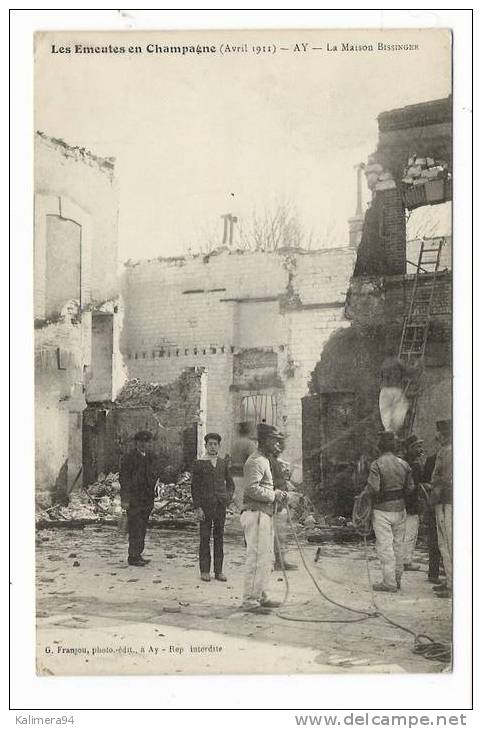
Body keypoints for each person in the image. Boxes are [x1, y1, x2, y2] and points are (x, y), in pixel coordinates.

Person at [240, 423, 289, 613]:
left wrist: (275, 493)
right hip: (256, 514)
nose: (277, 445)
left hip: (264, 513)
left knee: (266, 557)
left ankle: (260, 595)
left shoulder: (264, 460)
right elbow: (251, 488)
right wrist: (274, 494)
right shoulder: (256, 461)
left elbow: (262, 486)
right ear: (265, 441)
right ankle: (250, 600)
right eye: (274, 441)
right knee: (257, 557)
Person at [360, 430, 415, 592]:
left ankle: (389, 582)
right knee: (399, 545)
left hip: (382, 510)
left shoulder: (377, 464)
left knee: (385, 546)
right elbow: (410, 488)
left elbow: (373, 488)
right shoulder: (404, 464)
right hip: (400, 509)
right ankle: (397, 578)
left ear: (380, 447)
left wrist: (365, 494)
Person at [191, 432, 235, 583]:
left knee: (219, 538)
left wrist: (227, 497)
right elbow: (194, 488)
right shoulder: (199, 463)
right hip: (205, 507)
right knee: (204, 538)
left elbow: (230, 484)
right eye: (210, 444)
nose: (212, 447)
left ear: (219, 446)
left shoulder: (222, 463)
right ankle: (204, 571)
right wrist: (198, 507)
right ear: (205, 445)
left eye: (215, 444)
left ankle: (218, 571)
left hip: (220, 507)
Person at [120, 430, 158, 567]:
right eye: (141, 441)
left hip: (147, 498)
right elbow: (124, 479)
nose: (144, 444)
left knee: (142, 527)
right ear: (136, 443)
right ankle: (133, 556)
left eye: (146, 442)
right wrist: (125, 499)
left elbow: (154, 475)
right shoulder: (129, 458)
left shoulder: (150, 457)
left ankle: (138, 553)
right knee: (135, 527)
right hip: (134, 498)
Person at [429, 419, 453, 599]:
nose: (437, 436)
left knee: (447, 542)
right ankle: (450, 580)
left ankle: (453, 584)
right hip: (443, 500)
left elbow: (444, 478)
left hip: (445, 501)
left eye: (439, 433)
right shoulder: (445, 450)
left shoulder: (448, 452)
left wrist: (433, 490)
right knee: (444, 542)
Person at [270, 434, 298, 571]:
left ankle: (280, 560)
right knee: (276, 532)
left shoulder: (276, 461)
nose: (282, 447)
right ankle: (276, 561)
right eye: (280, 444)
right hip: (274, 502)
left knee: (281, 533)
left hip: (280, 500)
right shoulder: (270, 461)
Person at [402, 434, 426, 571]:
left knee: (404, 533)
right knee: (410, 532)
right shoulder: (413, 464)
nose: (420, 449)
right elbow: (415, 484)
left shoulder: (403, 462)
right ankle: (406, 561)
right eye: (417, 446)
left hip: (404, 502)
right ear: (410, 448)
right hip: (411, 503)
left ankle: (403, 559)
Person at [422, 451, 442, 584]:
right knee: (434, 540)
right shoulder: (432, 460)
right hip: (436, 503)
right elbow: (423, 482)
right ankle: (434, 573)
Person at [230, 421, 257, 511]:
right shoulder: (249, 444)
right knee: (247, 504)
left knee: (239, 501)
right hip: (244, 476)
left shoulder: (234, 444)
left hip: (234, 475)